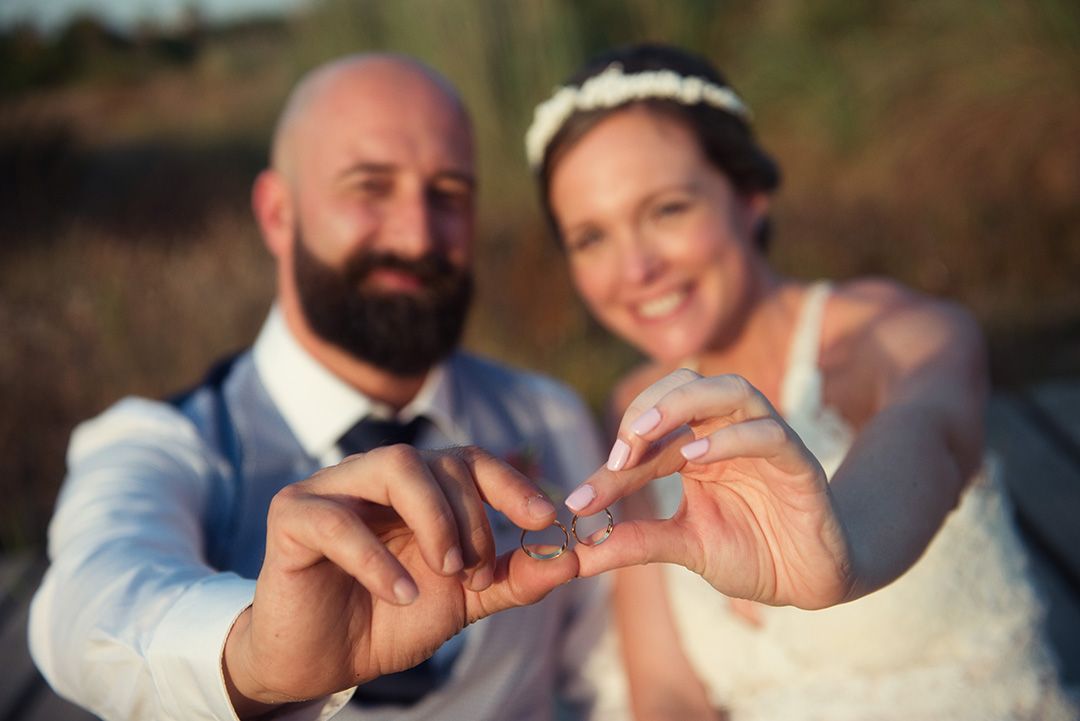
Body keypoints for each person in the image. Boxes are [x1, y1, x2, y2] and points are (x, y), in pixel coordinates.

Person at [28, 53, 609, 721]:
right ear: (278, 213)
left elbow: (602, 667)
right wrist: (254, 655)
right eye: (370, 187)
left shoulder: (550, 414)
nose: (417, 233)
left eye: (448, 194)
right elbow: (89, 599)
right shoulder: (165, 441)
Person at [526, 43, 1078, 721]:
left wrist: (843, 549)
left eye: (666, 209)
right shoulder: (637, 408)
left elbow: (924, 439)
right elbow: (666, 692)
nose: (634, 268)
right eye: (591, 238)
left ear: (750, 196)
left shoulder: (902, 338)